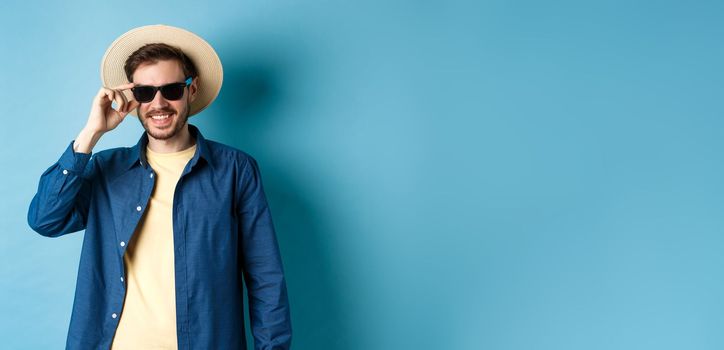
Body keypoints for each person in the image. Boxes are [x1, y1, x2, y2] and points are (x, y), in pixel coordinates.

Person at [27, 24, 292, 350]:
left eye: (172, 89)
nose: (159, 103)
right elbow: (45, 219)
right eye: (144, 92)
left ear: (191, 91)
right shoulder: (107, 170)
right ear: (132, 98)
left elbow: (265, 278)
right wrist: (90, 135)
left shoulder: (235, 170)